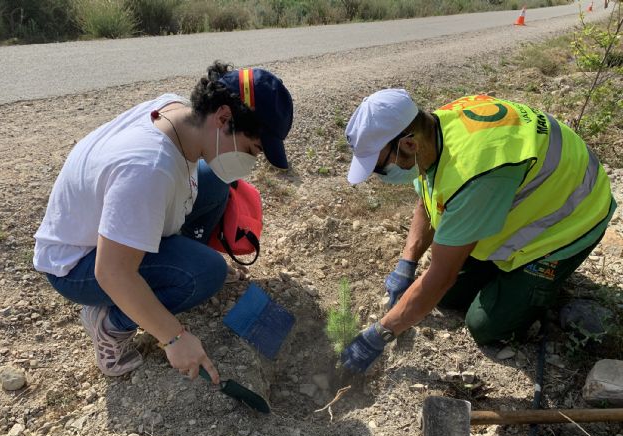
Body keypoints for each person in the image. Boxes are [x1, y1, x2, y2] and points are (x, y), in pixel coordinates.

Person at [33, 61, 293, 382]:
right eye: (251, 150)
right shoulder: (149, 168)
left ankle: (175, 269)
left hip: (115, 231)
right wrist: (174, 337)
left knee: (214, 181)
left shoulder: (178, 113)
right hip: (78, 266)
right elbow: (112, 272)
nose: (251, 162)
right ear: (223, 118)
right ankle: (110, 324)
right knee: (206, 273)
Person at [340, 89, 615, 373]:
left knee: (485, 325)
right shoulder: (433, 131)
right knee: (447, 297)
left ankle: (534, 287)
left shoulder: (474, 172)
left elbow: (441, 277)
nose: (380, 175)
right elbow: (428, 197)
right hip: (528, 195)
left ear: (408, 144)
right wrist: (406, 263)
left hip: (571, 220)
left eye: (379, 167)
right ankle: (504, 277)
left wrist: (380, 335)